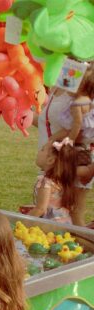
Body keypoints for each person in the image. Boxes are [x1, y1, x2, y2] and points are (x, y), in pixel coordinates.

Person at [50, 66, 94, 226]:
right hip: (86, 150)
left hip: (78, 149)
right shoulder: (88, 101)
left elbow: (76, 125)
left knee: (74, 210)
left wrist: (67, 141)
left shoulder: (76, 104)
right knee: (77, 209)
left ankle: (85, 244)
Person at [28, 138, 78, 224]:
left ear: (50, 160)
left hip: (51, 227)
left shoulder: (45, 183)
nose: (39, 152)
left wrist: (23, 220)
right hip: (65, 225)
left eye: (42, 150)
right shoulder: (61, 181)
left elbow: (41, 209)